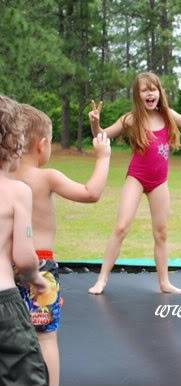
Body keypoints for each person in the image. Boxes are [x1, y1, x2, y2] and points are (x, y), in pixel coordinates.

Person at [87, 72, 181, 295]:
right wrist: (95, 123)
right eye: (144, 90)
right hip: (136, 178)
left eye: (153, 89)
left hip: (160, 182)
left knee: (161, 233)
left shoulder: (167, 115)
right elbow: (102, 136)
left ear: (160, 92)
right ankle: (101, 280)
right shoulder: (131, 119)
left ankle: (164, 283)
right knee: (121, 227)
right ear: (137, 95)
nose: (150, 93)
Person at [11, 103, 111, 386]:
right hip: (41, 267)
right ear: (41, 145)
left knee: (9, 331)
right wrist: (103, 157)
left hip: (8, 267)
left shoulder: (6, 179)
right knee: (45, 335)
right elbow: (91, 193)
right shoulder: (47, 177)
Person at [0, 95, 49, 386]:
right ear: (15, 145)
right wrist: (35, 277)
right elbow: (24, 256)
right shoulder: (17, 192)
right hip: (3, 303)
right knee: (24, 374)